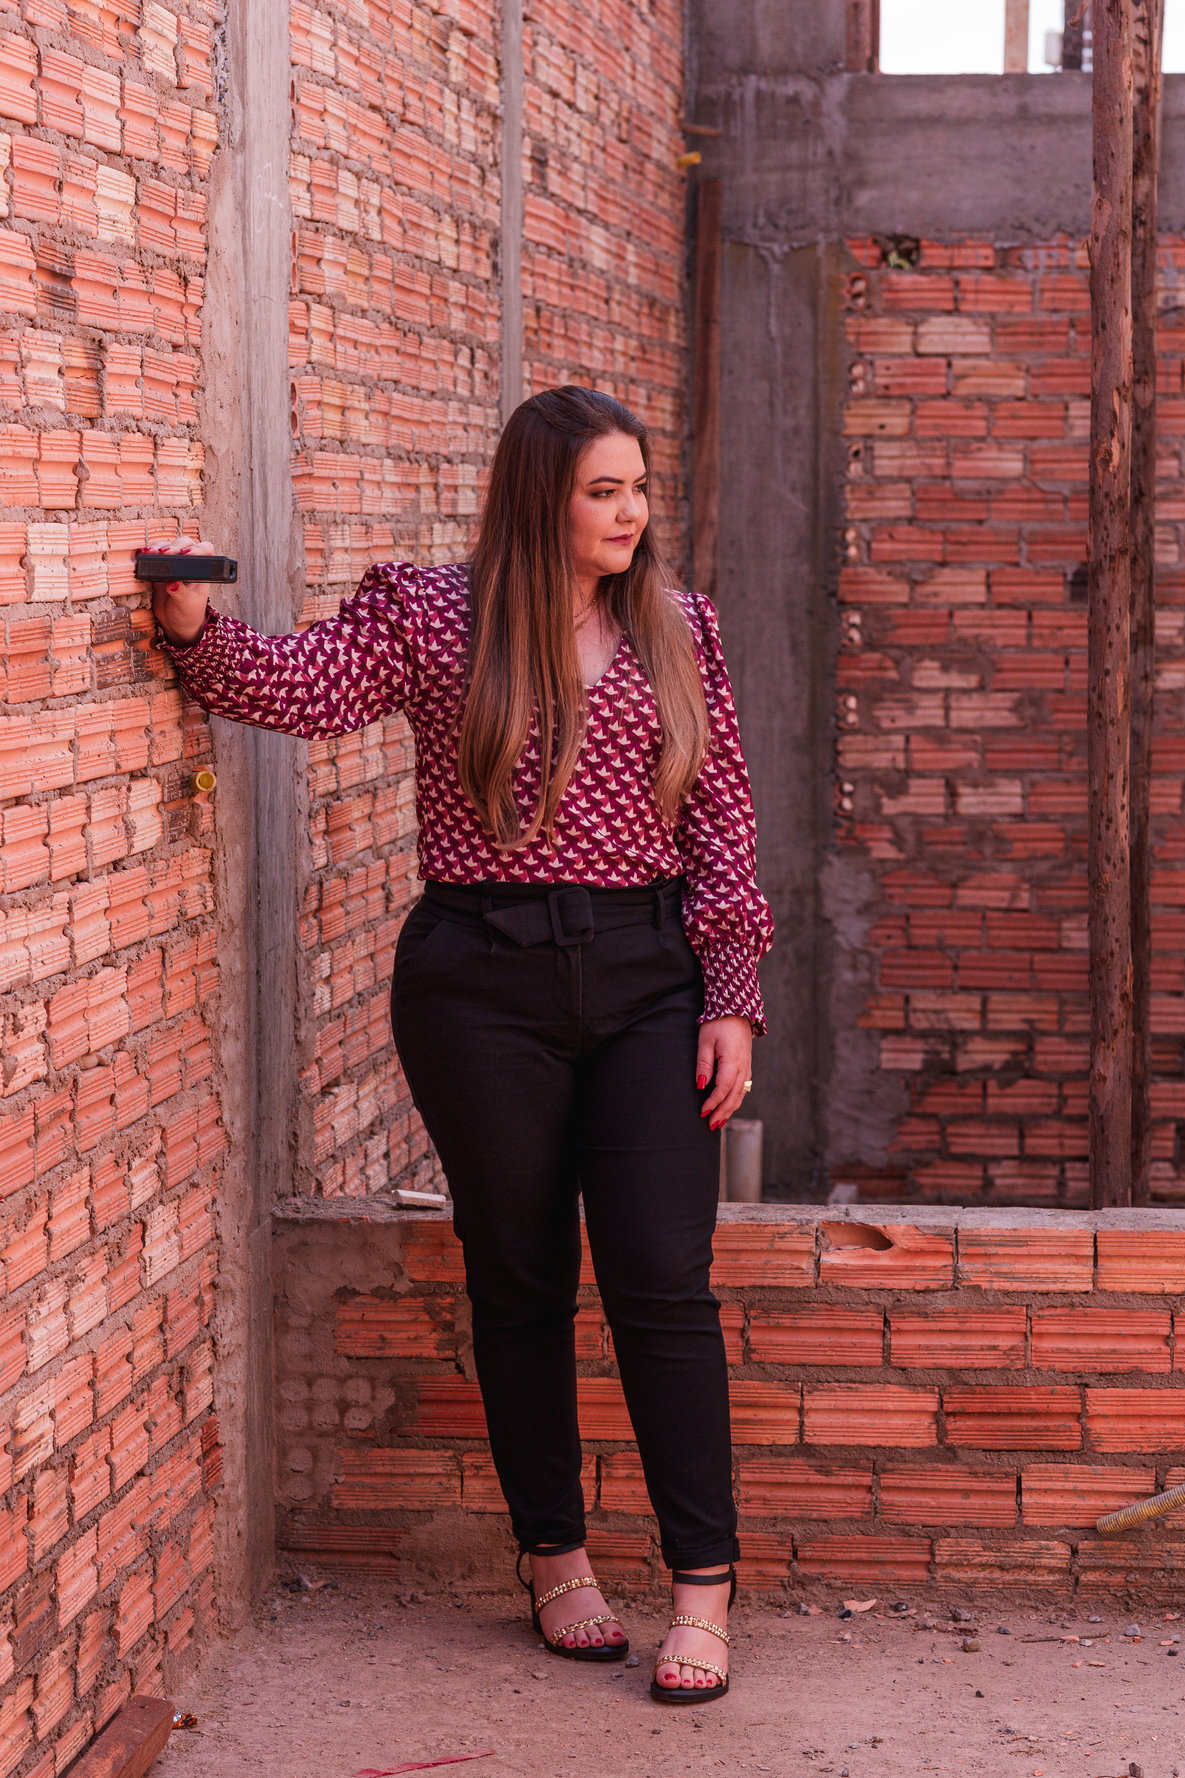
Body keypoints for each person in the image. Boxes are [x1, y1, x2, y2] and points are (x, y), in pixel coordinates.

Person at [152, 385, 772, 1704]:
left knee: (663, 1277)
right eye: (603, 490)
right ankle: (556, 1558)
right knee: (521, 1274)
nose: (631, 512)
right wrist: (197, 628)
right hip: (479, 981)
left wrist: (730, 993)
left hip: (651, 979)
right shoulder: (435, 616)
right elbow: (308, 687)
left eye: (638, 487)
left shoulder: (680, 628)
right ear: (541, 496)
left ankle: (703, 1589)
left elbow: (722, 817)